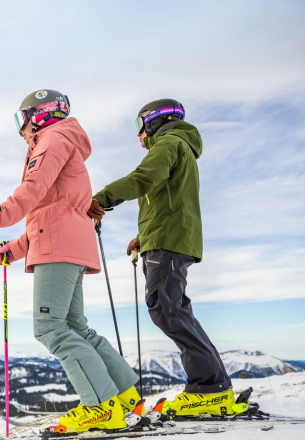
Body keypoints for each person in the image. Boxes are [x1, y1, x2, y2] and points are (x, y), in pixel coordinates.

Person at [0, 89, 142, 433]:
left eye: (22, 119)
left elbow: (31, 193)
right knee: (76, 327)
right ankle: (124, 398)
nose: (20, 130)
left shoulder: (52, 140)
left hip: (58, 249)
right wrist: (14, 249)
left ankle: (100, 408)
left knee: (50, 328)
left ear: (41, 114)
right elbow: (53, 210)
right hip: (67, 245)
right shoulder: (64, 142)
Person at [87, 99, 236, 416]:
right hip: (168, 237)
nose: (139, 137)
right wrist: (145, 237)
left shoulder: (168, 144)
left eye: (140, 128)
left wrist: (100, 198)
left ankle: (210, 387)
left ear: (153, 122)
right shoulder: (180, 146)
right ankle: (215, 386)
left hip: (169, 240)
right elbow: (170, 200)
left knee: (165, 307)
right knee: (173, 308)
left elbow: (142, 179)